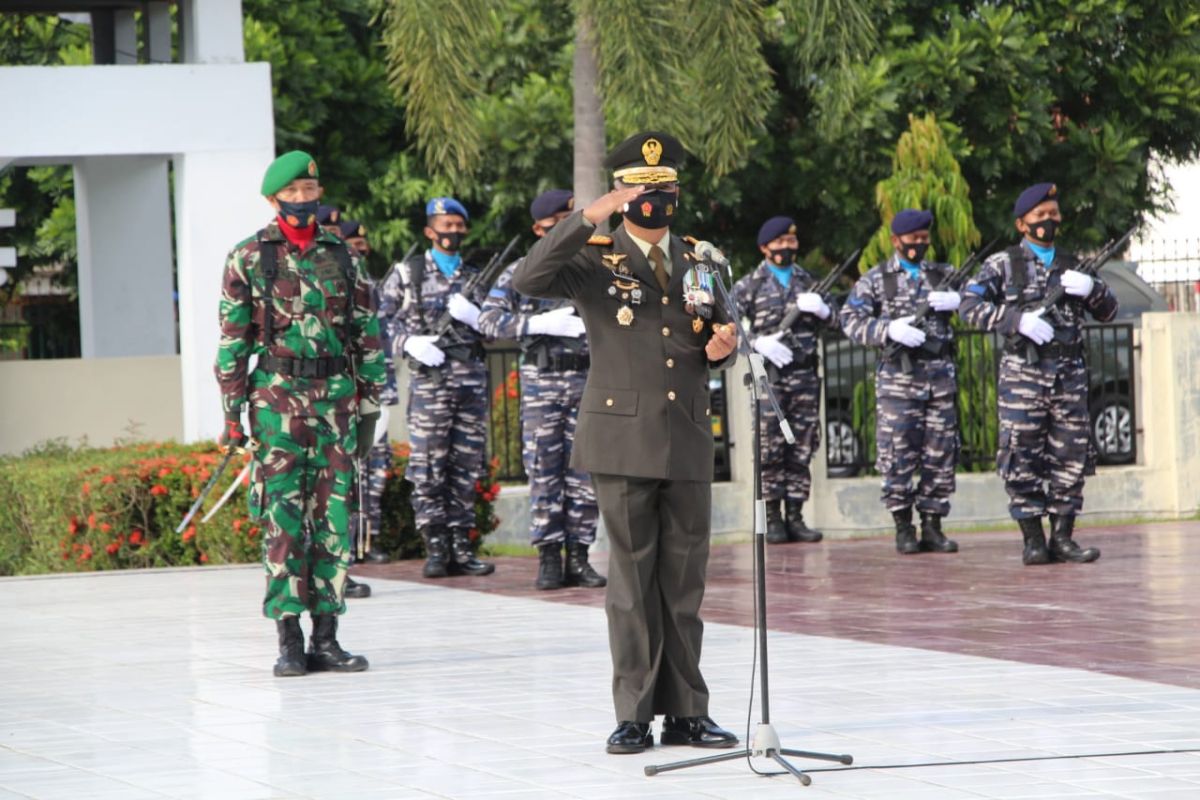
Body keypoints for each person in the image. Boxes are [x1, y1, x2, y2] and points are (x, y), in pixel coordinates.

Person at [513, 131, 740, 755]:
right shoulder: (592, 253)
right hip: (620, 437)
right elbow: (528, 280)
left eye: (664, 188)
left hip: (688, 433)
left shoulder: (703, 258)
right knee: (633, 584)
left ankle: (689, 713)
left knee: (684, 582)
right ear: (622, 193)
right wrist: (587, 216)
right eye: (641, 190)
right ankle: (635, 714)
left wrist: (722, 350)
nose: (655, 199)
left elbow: (716, 331)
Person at [215, 150, 384, 676]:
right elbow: (232, 340)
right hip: (276, 404)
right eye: (294, 195)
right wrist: (231, 415)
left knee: (334, 520)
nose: (305, 202)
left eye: (311, 193)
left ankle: (327, 638)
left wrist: (371, 400)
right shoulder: (248, 257)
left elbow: (365, 330)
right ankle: (288, 640)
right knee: (282, 521)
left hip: (336, 402)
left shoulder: (342, 253)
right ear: (274, 199)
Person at [960, 182, 1117, 565]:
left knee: (1071, 455)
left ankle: (1063, 537)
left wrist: (1092, 287)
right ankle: (1032, 538)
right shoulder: (1003, 264)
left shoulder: (1071, 263)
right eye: (1040, 216)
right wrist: (1016, 320)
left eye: (1053, 214)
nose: (1048, 221)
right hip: (1023, 377)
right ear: (1022, 224)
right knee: (1021, 455)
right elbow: (968, 306)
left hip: (1069, 374)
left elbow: (1109, 311)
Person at [478, 189, 605, 590]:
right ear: (539, 230)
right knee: (544, 471)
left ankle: (580, 556)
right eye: (558, 226)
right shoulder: (522, 270)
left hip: (589, 378)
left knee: (586, 473)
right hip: (542, 384)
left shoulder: (597, 262)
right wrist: (535, 325)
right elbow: (488, 321)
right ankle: (550, 557)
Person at [381, 197, 495, 578]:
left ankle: (462, 546)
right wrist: (409, 344)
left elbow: (497, 326)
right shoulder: (408, 272)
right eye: (445, 226)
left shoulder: (476, 273)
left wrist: (477, 318)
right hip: (430, 385)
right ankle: (435, 547)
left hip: (470, 384)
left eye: (458, 226)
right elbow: (381, 322)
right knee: (429, 465)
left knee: (465, 466)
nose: (453, 232)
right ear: (429, 230)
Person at [839, 209, 961, 555]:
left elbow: (979, 303)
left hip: (939, 380)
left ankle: (933, 526)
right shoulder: (877, 279)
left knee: (940, 454)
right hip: (898, 384)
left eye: (925, 238)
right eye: (913, 239)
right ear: (895, 241)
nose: (919, 244)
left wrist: (957, 301)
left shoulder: (943, 275)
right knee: (897, 456)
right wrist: (887, 329)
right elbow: (849, 319)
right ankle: (903, 527)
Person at [731, 216, 835, 544]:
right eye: (780, 243)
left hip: (804, 375)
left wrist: (823, 312)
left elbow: (842, 323)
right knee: (770, 448)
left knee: (801, 446)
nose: (787, 248)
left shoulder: (810, 282)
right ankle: (773, 517)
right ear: (765, 248)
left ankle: (796, 516)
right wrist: (756, 343)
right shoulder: (750, 285)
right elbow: (727, 327)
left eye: (791, 242)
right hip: (769, 379)